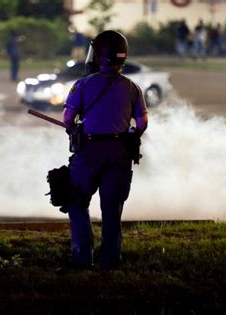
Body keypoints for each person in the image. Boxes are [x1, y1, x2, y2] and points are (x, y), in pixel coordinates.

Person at [62, 30, 148, 270]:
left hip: (89, 151)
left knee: (76, 201)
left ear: (99, 55)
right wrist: (131, 135)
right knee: (112, 208)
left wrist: (74, 128)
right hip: (120, 153)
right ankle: (110, 260)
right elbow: (142, 124)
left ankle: (82, 258)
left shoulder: (82, 84)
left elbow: (68, 118)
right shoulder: (132, 88)